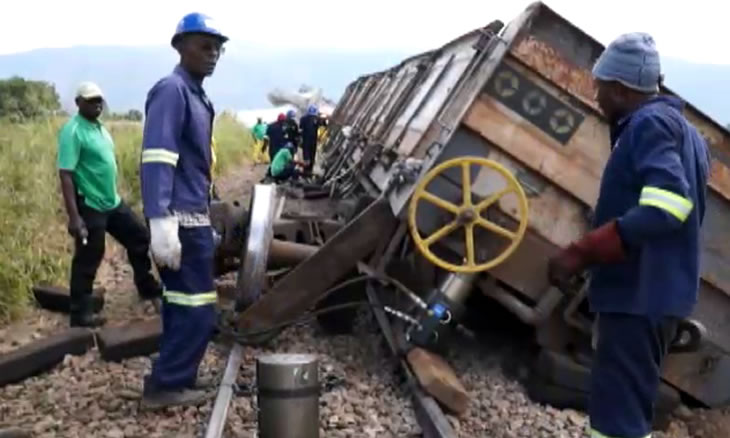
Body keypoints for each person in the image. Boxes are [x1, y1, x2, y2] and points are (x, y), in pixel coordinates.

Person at [547, 33, 710, 438]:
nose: (597, 97)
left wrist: (582, 251)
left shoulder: (648, 124)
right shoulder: (689, 135)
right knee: (621, 412)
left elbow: (670, 204)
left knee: (618, 421)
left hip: (639, 295)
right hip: (655, 293)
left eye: (600, 87)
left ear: (620, 90)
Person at [138, 12, 228, 409]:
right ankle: (168, 386)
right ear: (180, 47)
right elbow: (157, 157)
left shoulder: (195, 94)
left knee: (180, 303)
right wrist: (160, 219)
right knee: (197, 307)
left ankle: (174, 376)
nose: (213, 55)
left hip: (192, 217)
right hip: (179, 221)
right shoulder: (172, 91)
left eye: (217, 48)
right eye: (204, 46)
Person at [57, 82, 162, 328]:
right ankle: (80, 314)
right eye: (90, 100)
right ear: (78, 103)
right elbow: (66, 174)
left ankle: (147, 289)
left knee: (139, 237)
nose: (96, 104)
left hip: (112, 202)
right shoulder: (72, 131)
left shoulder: (100, 128)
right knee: (89, 255)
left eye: (99, 100)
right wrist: (74, 217)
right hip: (90, 204)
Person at [299, 104, 322, 174]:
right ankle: (309, 170)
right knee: (312, 154)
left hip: (305, 139)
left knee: (306, 155)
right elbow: (323, 125)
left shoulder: (303, 118)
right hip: (313, 140)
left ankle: (305, 170)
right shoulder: (317, 119)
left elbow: (300, 127)